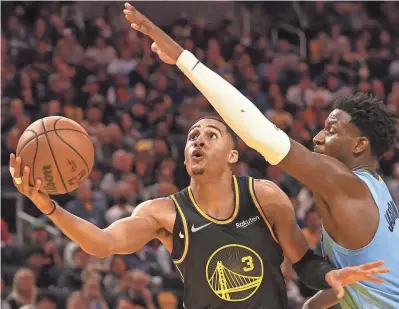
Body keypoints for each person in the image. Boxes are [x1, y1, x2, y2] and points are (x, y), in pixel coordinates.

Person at [120, 3, 399, 308]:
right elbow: (374, 276)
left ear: (359, 145)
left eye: (331, 130)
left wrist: (183, 59)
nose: (318, 137)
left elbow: (260, 135)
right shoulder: (377, 189)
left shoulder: (346, 184)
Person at [10, 114, 388, 309]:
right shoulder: (163, 213)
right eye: (193, 136)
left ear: (233, 155)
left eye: (211, 135)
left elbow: (303, 263)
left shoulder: (265, 196)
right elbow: (103, 244)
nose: (199, 141)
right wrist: (49, 207)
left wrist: (330, 276)